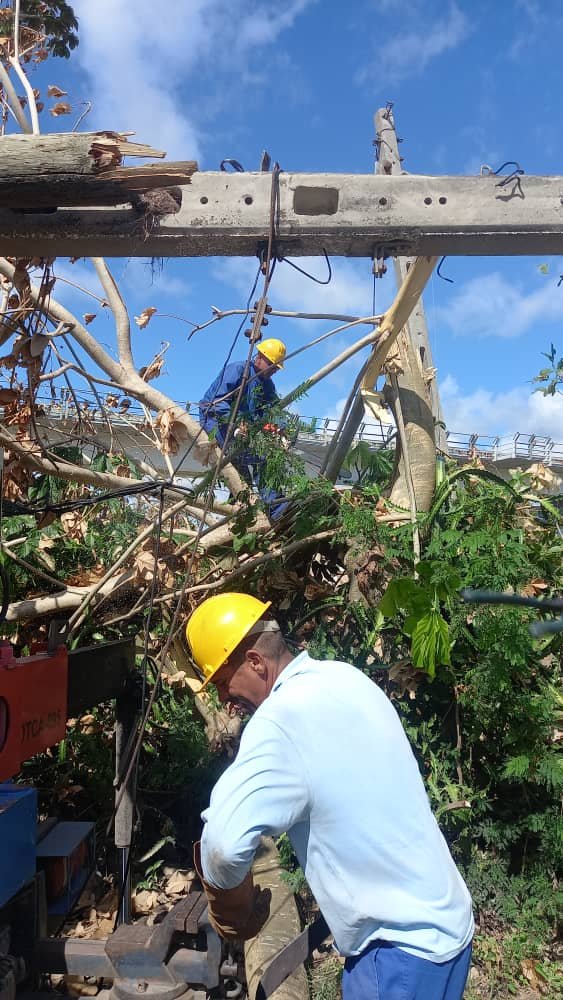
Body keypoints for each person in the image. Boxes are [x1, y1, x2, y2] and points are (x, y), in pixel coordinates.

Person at [186, 593, 474, 1000]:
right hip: (446, 930)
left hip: (396, 955)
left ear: (254, 662)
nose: (222, 699)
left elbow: (223, 847)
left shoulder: (279, 719)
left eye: (221, 682)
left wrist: (230, 910)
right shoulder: (344, 677)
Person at [198, 338, 288, 517]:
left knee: (241, 476)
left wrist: (282, 431)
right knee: (259, 457)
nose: (273, 372)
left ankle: (237, 514)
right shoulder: (239, 371)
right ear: (260, 357)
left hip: (243, 427)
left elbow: (274, 409)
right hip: (217, 421)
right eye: (272, 366)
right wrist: (235, 427)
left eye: (276, 369)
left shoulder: (266, 384)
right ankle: (276, 508)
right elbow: (217, 403)